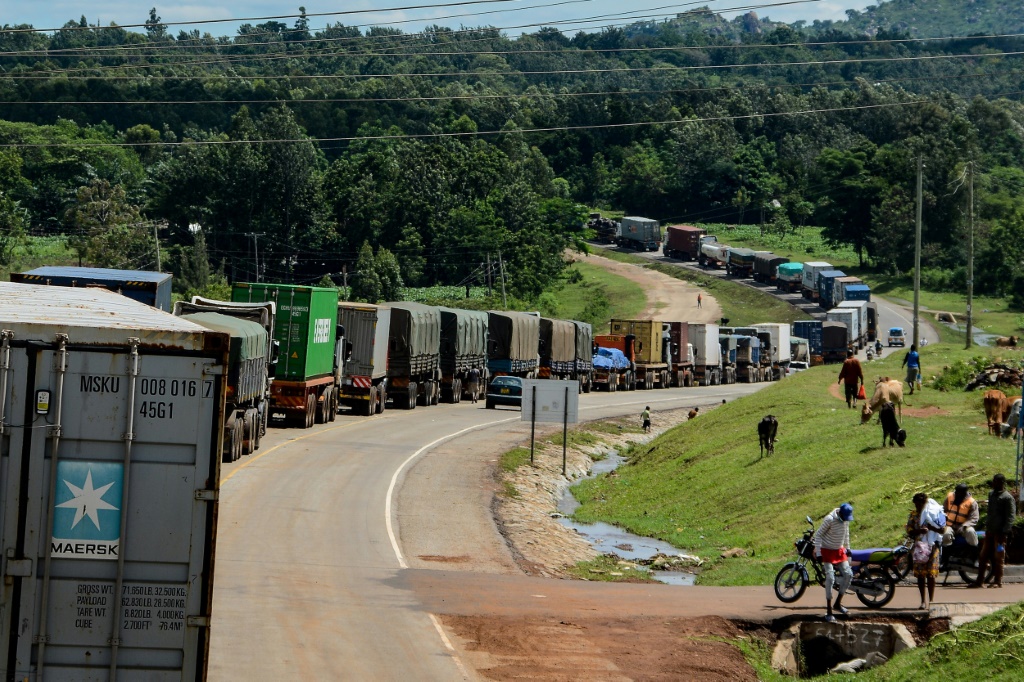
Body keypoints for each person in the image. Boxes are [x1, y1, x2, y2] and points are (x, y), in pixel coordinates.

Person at [969, 473, 1017, 589]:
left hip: (1000, 534)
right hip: (989, 531)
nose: (993, 483)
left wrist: (1005, 531)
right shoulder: (991, 494)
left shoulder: (1007, 497)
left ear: (1001, 483)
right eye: (993, 481)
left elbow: (1010, 516)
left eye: (996, 481)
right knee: (983, 556)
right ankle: (980, 581)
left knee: (998, 557)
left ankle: (998, 581)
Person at [813, 503, 854, 623]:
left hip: (839, 551)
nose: (846, 520)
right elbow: (818, 535)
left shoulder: (845, 520)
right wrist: (819, 553)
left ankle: (838, 603)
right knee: (830, 578)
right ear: (840, 513)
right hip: (826, 551)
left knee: (848, 574)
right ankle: (829, 610)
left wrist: (848, 547)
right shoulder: (830, 519)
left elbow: (846, 534)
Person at [907, 493, 946, 610]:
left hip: (932, 547)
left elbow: (942, 530)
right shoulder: (913, 515)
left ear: (925, 503)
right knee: (920, 575)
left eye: (921, 504)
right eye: (916, 504)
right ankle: (923, 601)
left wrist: (931, 528)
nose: (918, 506)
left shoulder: (934, 513)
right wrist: (919, 531)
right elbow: (909, 531)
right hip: (920, 547)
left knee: (931, 575)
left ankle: (932, 601)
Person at [943, 483, 979, 547]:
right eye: (957, 492)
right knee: (946, 534)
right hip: (949, 525)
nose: (957, 495)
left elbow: (974, 518)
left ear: (965, 493)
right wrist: (944, 519)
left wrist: (964, 525)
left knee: (971, 533)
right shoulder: (950, 497)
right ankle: (946, 554)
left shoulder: (972, 502)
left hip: (964, 526)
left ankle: (973, 553)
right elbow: (943, 510)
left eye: (960, 493)